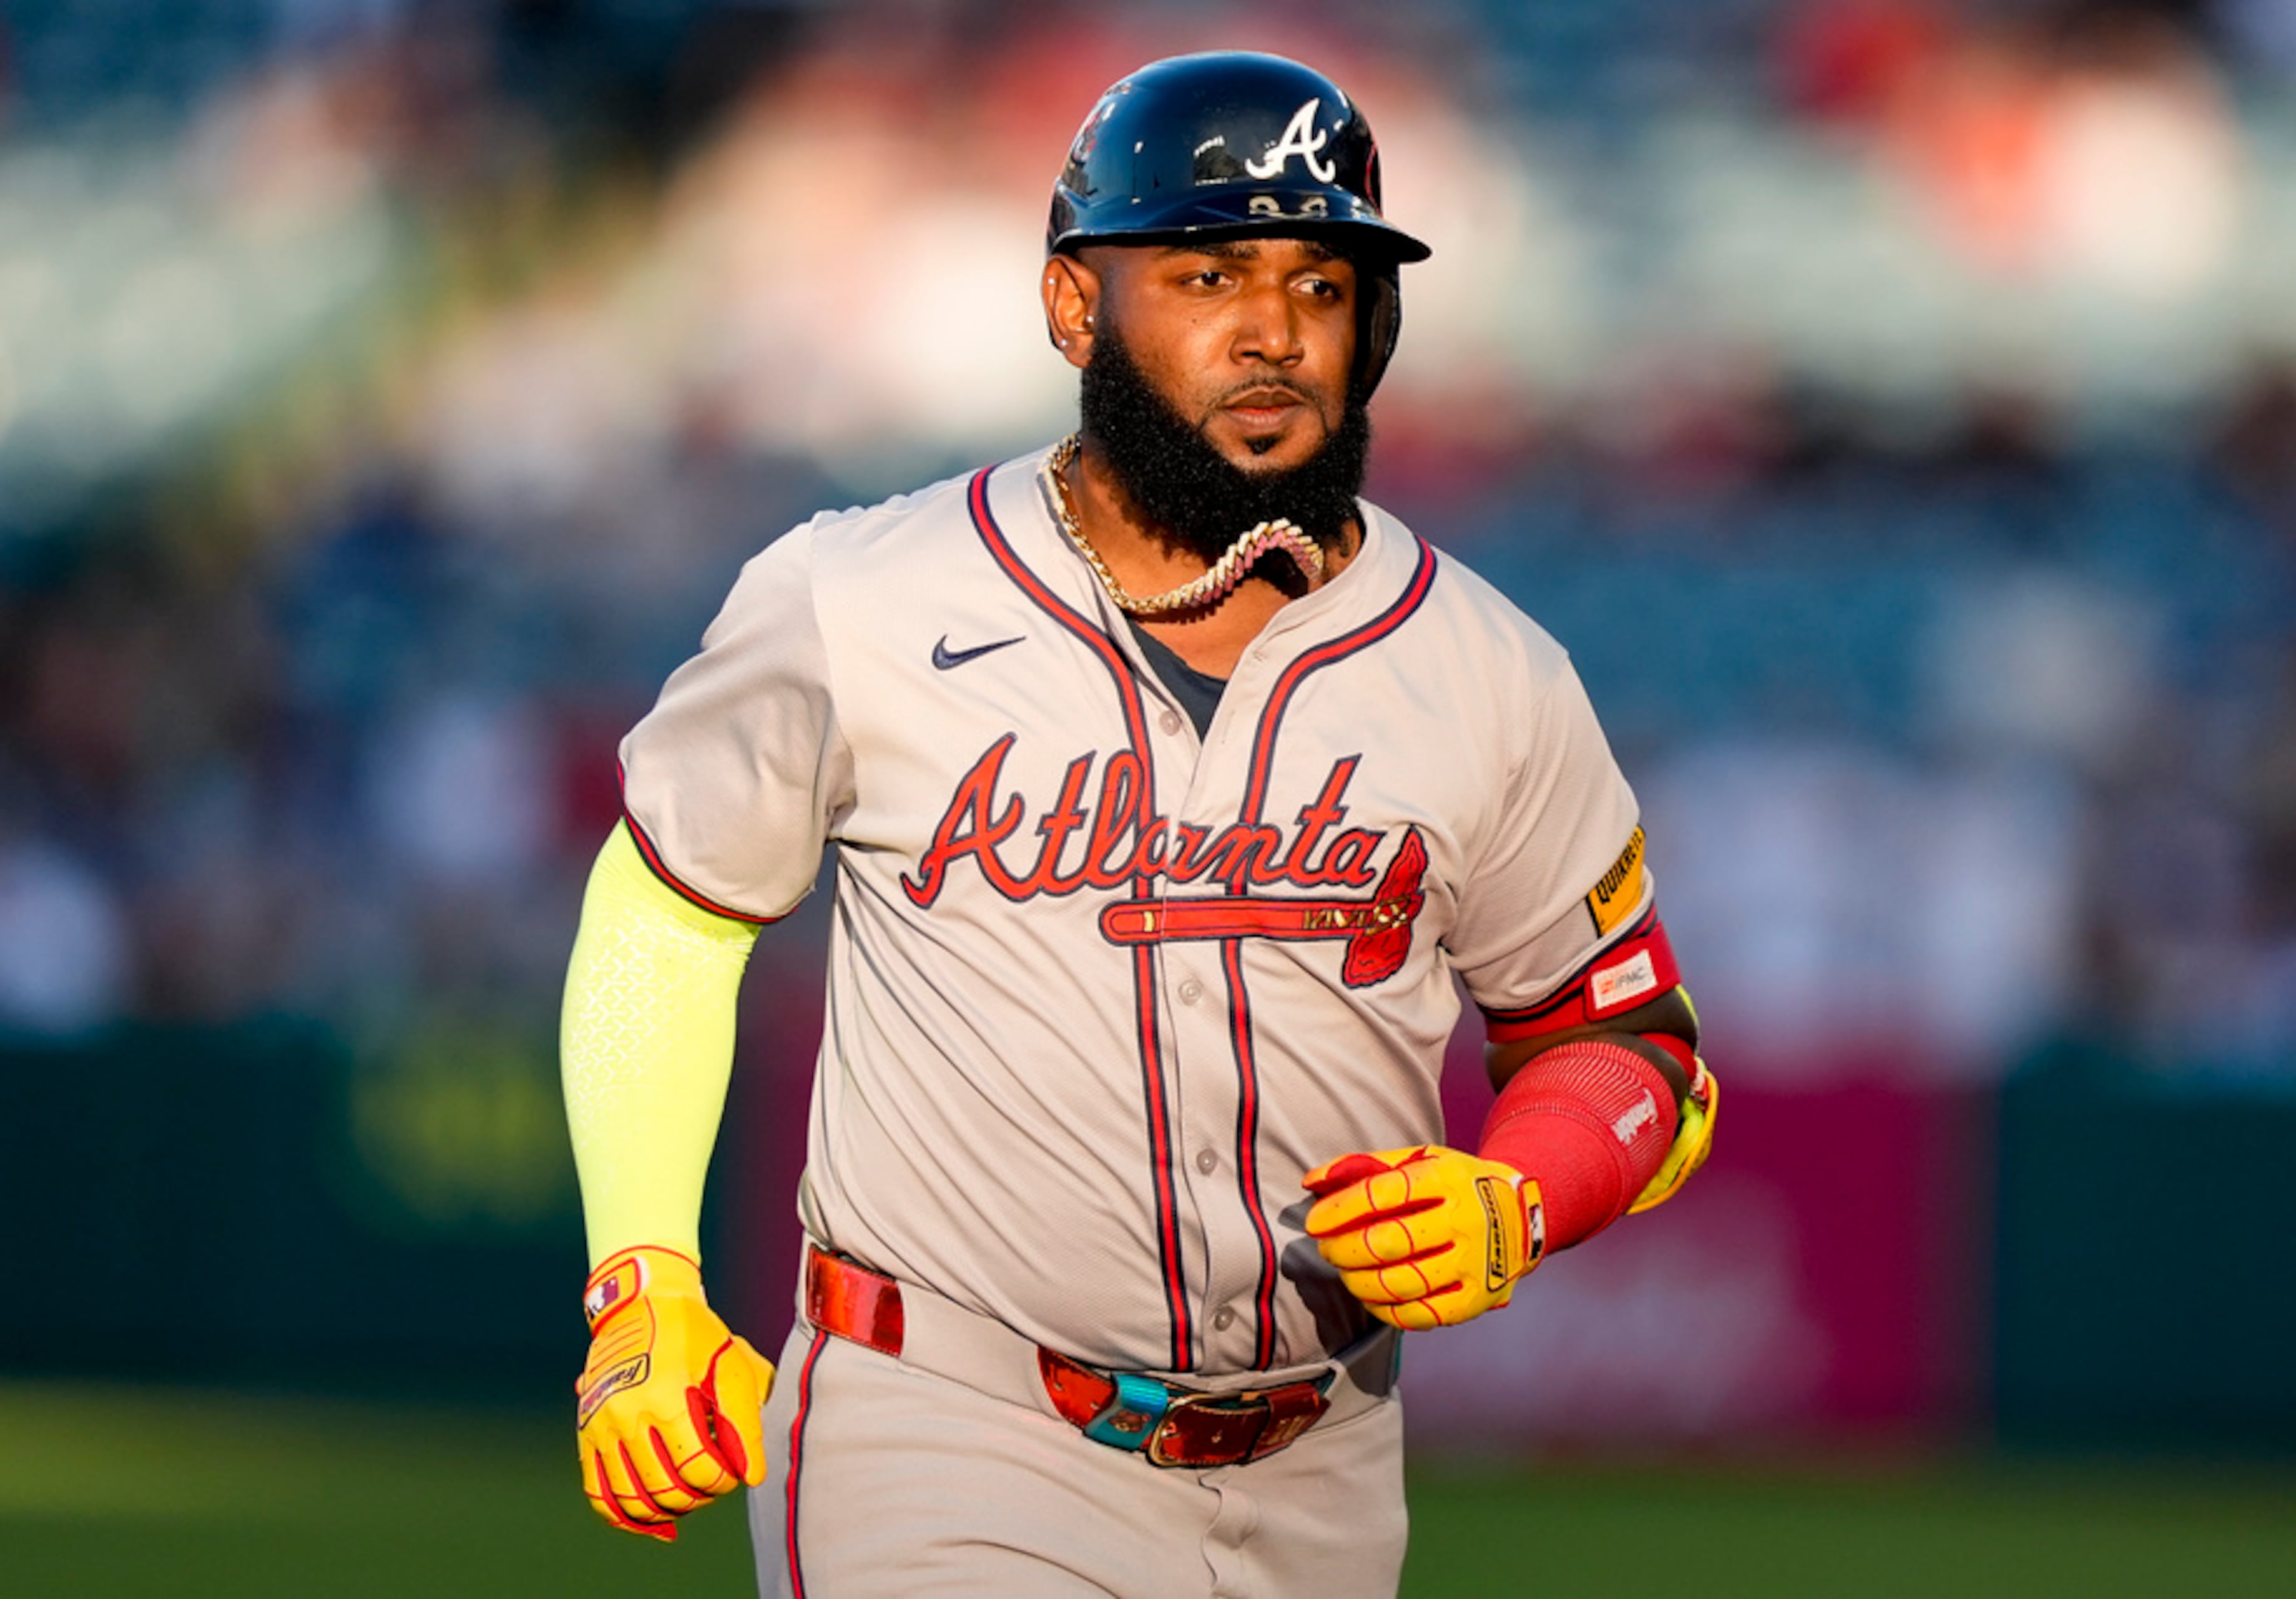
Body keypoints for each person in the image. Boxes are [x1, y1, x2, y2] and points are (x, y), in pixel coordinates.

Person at [561, 49, 1719, 1599]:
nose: (1271, 331)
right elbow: (665, 914)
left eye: (1322, 282)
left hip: (1325, 1462)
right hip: (948, 1427)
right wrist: (643, 1274)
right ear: (1071, 306)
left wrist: (1523, 1194)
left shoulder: (1486, 668)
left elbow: (1631, 1046)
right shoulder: (864, 595)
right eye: (1205, 269)